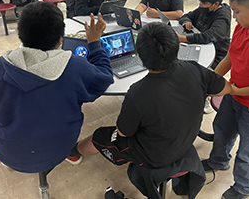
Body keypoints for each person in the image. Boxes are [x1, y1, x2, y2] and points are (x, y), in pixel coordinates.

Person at [69, 22, 233, 198]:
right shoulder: (194, 68)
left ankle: (71, 152)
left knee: (101, 135)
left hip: (155, 155)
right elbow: (225, 88)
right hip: (186, 140)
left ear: (139, 55)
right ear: (176, 48)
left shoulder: (138, 92)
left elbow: (123, 133)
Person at [0, 1, 114, 174]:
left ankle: (15, 157)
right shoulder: (75, 67)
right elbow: (104, 77)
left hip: (8, 152)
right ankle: (69, 154)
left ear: (20, 36)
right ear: (60, 40)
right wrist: (94, 43)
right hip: (59, 149)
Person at [201, 0, 249, 199]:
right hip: (234, 95)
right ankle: (218, 161)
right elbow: (231, 57)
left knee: (247, 152)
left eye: (237, 10)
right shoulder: (242, 28)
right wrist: (211, 79)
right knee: (222, 129)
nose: (233, 16)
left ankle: (243, 187)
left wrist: (230, 90)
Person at [178, 0, 231, 69]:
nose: (200, 5)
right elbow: (186, 16)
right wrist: (187, 21)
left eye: (204, 3)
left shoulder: (222, 18)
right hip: (200, 45)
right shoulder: (204, 9)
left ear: (216, 4)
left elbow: (208, 36)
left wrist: (183, 38)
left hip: (216, 55)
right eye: (200, 1)